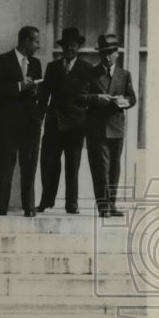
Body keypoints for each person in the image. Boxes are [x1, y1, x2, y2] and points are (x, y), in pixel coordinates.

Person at [36, 27, 93, 214]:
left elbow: (90, 97)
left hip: (76, 125)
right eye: (67, 46)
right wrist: (39, 116)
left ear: (78, 47)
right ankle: (46, 200)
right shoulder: (52, 67)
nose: (70, 49)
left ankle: (72, 203)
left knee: (72, 165)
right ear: (62, 48)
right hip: (54, 124)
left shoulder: (86, 68)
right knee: (49, 163)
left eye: (73, 46)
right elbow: (44, 95)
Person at [0, 26, 43, 216]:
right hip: (7, 123)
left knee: (29, 165)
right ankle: (0, 207)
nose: (38, 46)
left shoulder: (36, 64)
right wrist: (20, 86)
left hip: (30, 123)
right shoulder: (1, 60)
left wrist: (35, 91)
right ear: (26, 41)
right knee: (6, 165)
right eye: (36, 41)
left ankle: (29, 207)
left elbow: (38, 93)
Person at [81, 33, 136, 217]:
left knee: (114, 168)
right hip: (97, 128)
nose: (107, 56)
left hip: (117, 127)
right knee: (101, 168)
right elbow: (80, 97)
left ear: (117, 53)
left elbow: (132, 98)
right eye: (103, 52)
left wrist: (124, 102)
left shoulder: (124, 75)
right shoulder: (91, 73)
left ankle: (111, 204)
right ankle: (103, 206)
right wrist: (97, 98)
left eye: (110, 52)